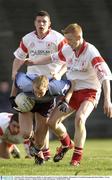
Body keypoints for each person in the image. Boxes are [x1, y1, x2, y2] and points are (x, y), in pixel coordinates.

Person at [25, 23, 112, 166]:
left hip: (90, 91)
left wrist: (108, 99)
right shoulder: (68, 49)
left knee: (80, 118)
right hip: (71, 91)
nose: (67, 43)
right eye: (66, 39)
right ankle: (66, 144)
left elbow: (105, 76)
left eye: (70, 40)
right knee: (51, 122)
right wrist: (34, 61)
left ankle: (76, 159)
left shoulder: (91, 52)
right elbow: (52, 57)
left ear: (79, 37)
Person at [10, 10, 67, 162]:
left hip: (48, 85)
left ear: (49, 24)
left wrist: (59, 74)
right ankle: (41, 149)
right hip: (31, 85)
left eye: (44, 22)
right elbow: (18, 57)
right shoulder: (27, 39)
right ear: (35, 23)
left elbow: (68, 60)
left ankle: (40, 152)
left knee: (42, 126)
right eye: (39, 21)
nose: (41, 24)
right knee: (26, 134)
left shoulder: (58, 38)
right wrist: (14, 72)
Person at [10, 72, 74, 164]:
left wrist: (66, 100)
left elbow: (71, 84)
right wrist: (12, 97)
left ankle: (37, 150)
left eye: (40, 93)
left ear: (47, 88)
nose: (37, 95)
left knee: (40, 144)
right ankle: (35, 148)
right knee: (26, 134)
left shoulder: (56, 87)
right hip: (27, 102)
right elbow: (16, 78)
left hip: (45, 106)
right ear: (32, 86)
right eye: (35, 91)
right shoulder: (25, 83)